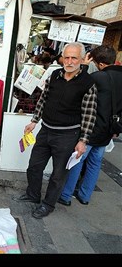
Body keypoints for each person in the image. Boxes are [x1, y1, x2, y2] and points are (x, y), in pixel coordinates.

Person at [13, 42, 97, 219]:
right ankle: (33, 195)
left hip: (68, 135)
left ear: (82, 59)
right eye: (66, 57)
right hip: (46, 130)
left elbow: (89, 115)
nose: (69, 61)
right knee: (34, 166)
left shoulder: (88, 83)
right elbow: (43, 100)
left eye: (74, 57)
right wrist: (34, 120)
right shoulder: (54, 74)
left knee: (58, 175)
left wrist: (83, 141)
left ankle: (48, 204)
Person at [59, 45, 122, 206]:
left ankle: (66, 195)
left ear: (99, 63)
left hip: (92, 128)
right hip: (109, 129)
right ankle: (85, 196)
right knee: (95, 163)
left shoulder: (99, 77)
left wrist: (85, 66)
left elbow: (80, 83)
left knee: (77, 161)